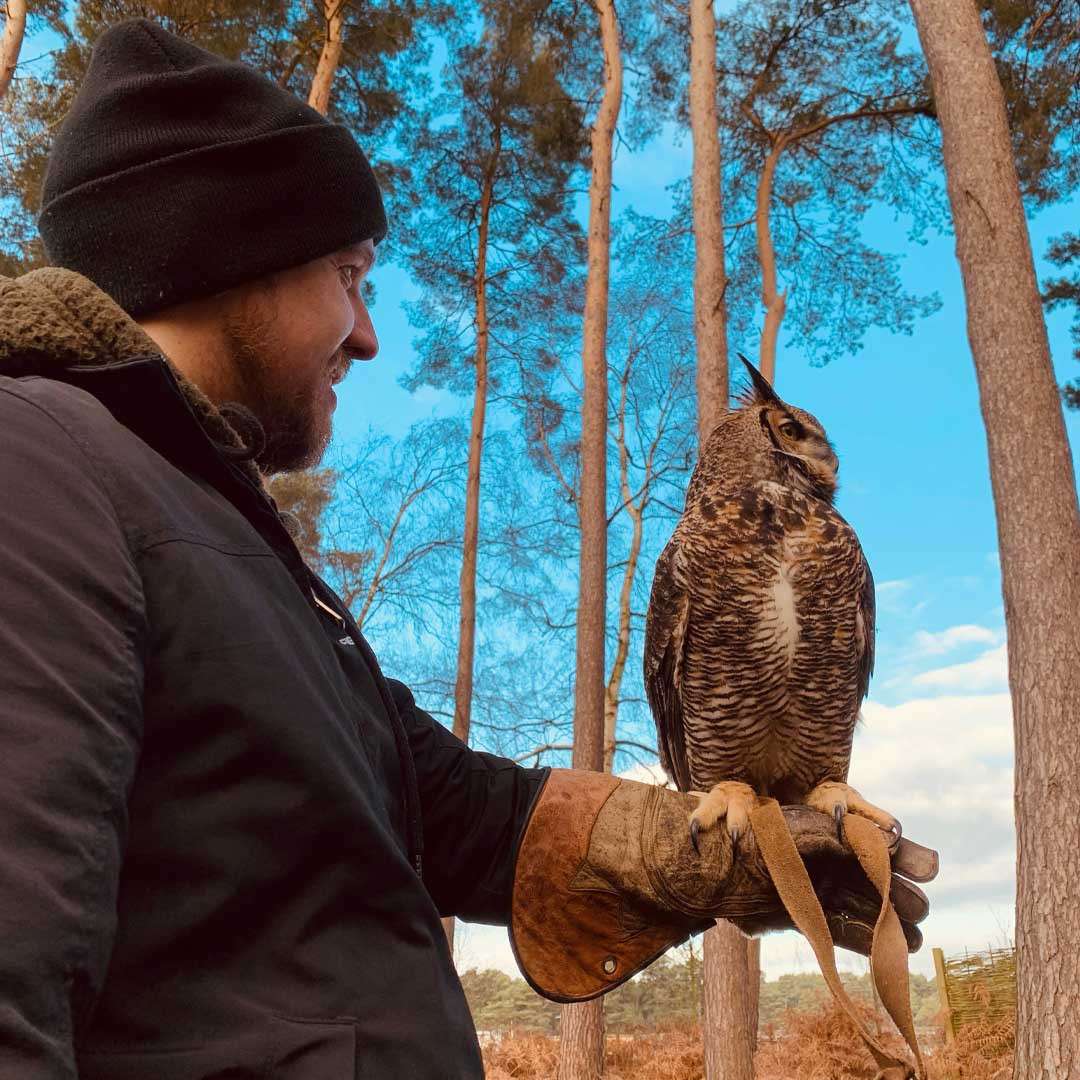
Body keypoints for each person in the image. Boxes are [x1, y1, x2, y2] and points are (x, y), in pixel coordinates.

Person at [0, 19, 935, 1080]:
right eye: (350, 276)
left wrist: (675, 851)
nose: (367, 335)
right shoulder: (36, 463)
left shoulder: (218, 531)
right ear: (233, 260)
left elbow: (438, 800)